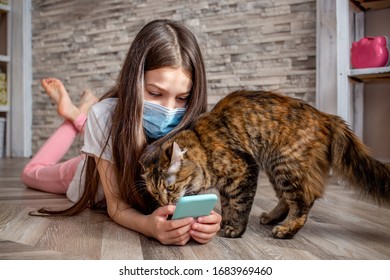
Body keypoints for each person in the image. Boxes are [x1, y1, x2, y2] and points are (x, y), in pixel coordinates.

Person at [22, 19, 222, 246]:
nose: (169, 109)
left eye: (182, 98)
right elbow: (116, 205)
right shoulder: (105, 116)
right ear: (134, 83)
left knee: (102, 120)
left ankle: (80, 115)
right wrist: (148, 226)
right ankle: (72, 116)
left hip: (108, 135)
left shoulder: (192, 123)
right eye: (155, 93)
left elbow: (189, 192)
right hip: (92, 173)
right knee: (30, 173)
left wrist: (205, 219)